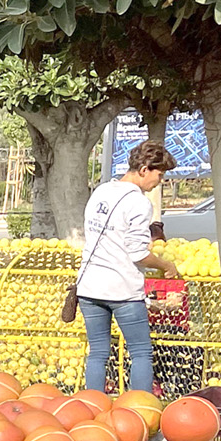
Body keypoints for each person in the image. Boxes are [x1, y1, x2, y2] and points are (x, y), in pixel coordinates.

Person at [74, 142, 180, 394]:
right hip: (122, 290)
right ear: (144, 169)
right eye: (160, 175)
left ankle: (93, 410)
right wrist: (165, 264)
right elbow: (138, 253)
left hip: (89, 286)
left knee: (98, 352)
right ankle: (140, 412)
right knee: (141, 352)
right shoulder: (139, 203)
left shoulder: (100, 191)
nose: (159, 182)